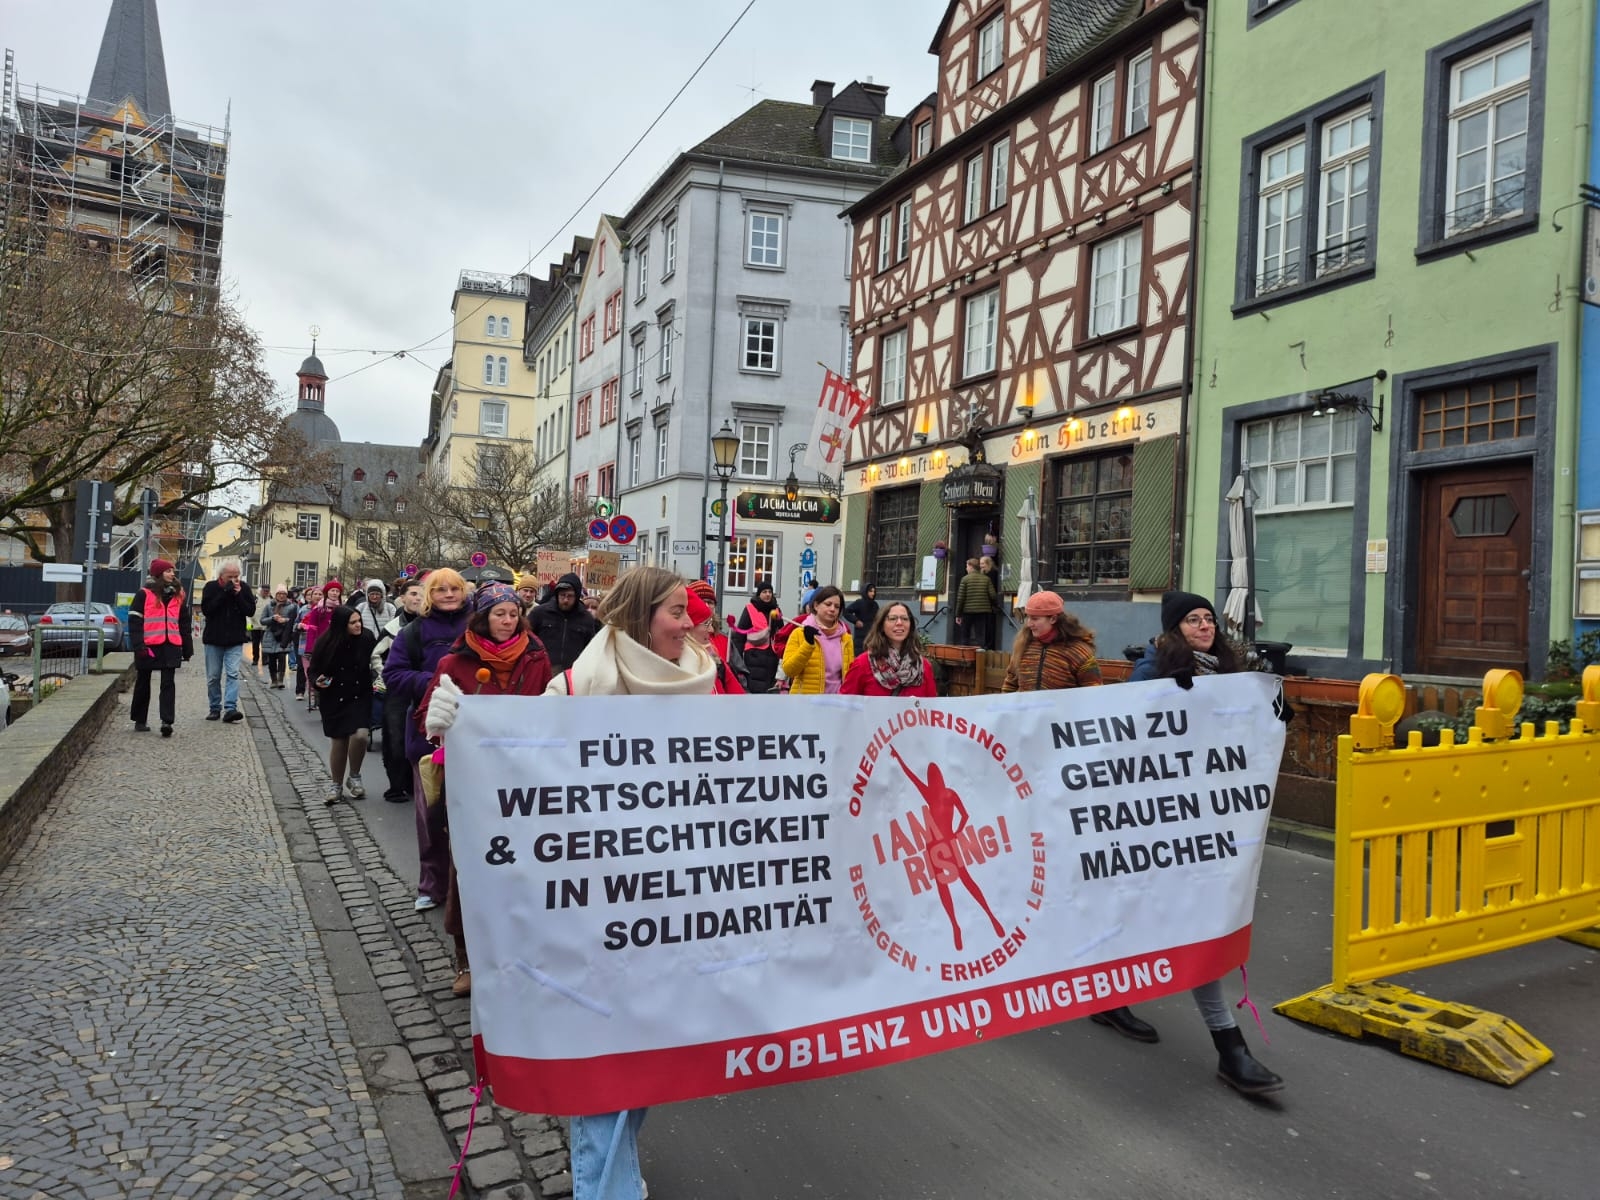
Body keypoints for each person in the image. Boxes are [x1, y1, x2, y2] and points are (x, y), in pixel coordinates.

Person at [543, 567, 715, 1200]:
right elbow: (514, 761)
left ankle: (618, 1173)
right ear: (645, 616)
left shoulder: (702, 678)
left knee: (647, 1054)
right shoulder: (580, 686)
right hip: (598, 903)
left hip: (677, 901)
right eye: (677, 611)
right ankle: (605, 1189)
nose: (690, 622)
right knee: (607, 1058)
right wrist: (458, 726)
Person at [1118, 589, 1283, 1095]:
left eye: (1209, 618)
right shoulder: (1151, 670)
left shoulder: (1233, 675)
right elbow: (1125, 734)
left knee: (1162, 915)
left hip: (1212, 820)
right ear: (1174, 630)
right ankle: (1230, 1048)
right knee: (1190, 922)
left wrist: (1274, 713)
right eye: (1193, 619)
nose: (1205, 626)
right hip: (1161, 821)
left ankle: (1109, 995)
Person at [418, 581, 553, 997]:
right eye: (499, 614)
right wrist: (438, 717)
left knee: (525, 868)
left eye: (513, 614)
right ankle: (466, 957)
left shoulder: (536, 655)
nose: (508, 621)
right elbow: (427, 712)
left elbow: (550, 709)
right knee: (470, 869)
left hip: (522, 778)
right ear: (483, 616)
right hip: (472, 780)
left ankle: (524, 952)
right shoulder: (454, 661)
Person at [384, 567, 470, 912]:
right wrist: (436, 683)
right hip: (428, 738)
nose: (449, 594)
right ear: (429, 595)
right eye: (441, 589)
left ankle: (471, 885)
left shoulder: (479, 625)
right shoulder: (413, 632)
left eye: (455, 589)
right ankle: (432, 885)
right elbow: (393, 674)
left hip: (475, 736)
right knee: (431, 817)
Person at [308, 605, 376, 806]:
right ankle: (336, 785)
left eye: (359, 621)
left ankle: (354, 776)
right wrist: (316, 681)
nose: (358, 625)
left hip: (360, 694)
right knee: (339, 741)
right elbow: (313, 670)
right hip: (334, 696)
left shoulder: (367, 638)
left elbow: (378, 658)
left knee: (361, 735)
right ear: (341, 625)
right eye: (353, 622)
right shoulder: (326, 642)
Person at [128, 558, 192, 736]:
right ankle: (140, 719)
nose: (173, 573)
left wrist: (187, 647)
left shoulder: (178, 595)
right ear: (158, 574)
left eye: (173, 571)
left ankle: (167, 721)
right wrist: (138, 644)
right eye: (168, 571)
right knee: (143, 682)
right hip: (148, 645)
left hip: (171, 645)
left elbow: (184, 623)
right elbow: (134, 621)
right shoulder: (144, 594)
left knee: (168, 683)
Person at [375, 577, 424, 803]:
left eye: (422, 594)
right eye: (413, 594)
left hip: (423, 688)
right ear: (402, 598)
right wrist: (383, 676)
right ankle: (396, 784)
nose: (418, 598)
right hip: (398, 690)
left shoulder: (431, 624)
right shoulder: (393, 627)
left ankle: (418, 783)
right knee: (395, 737)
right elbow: (376, 654)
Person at [1001, 591, 1101, 693]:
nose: (1029, 624)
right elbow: (1010, 684)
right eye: (1028, 617)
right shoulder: (1023, 644)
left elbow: (1093, 692)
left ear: (1053, 619)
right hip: (1026, 708)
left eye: (1035, 619)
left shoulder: (1079, 652)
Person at [199, 558, 255, 722]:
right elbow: (208, 610)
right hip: (214, 639)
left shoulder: (243, 588)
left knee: (232, 674)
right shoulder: (211, 587)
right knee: (213, 676)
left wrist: (237, 595)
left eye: (237, 576)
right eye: (230, 576)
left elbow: (250, 610)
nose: (234, 580)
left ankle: (230, 708)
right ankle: (214, 707)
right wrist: (224, 593)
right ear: (221, 576)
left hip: (235, 639)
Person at [841, 602, 936, 697]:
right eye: (892, 618)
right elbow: (844, 705)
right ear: (881, 625)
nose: (899, 623)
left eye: (905, 619)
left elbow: (931, 707)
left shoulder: (924, 666)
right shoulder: (862, 664)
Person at [780, 584, 854, 695]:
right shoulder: (799, 633)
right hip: (805, 704)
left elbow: (849, 676)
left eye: (837, 606)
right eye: (828, 604)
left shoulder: (845, 638)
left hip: (836, 705)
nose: (832, 609)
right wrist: (808, 645)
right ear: (816, 606)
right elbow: (789, 670)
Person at [528, 572, 601, 672]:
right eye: (562, 595)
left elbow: (590, 648)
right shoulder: (539, 613)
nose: (566, 600)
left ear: (577, 596)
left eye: (570, 596)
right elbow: (527, 639)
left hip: (573, 674)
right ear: (557, 594)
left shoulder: (586, 618)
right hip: (542, 671)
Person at [685, 581, 744, 694]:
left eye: (710, 602)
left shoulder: (724, 640)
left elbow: (739, 679)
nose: (707, 605)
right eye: (702, 601)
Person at [732, 578, 782, 695]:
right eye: (764, 592)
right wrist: (738, 661)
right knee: (755, 689)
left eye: (770, 592)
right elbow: (740, 636)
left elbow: (781, 633)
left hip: (772, 656)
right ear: (759, 594)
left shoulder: (776, 610)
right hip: (754, 656)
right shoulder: (750, 609)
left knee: (769, 689)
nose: (768, 594)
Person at [301, 581, 345, 711]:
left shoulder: (342, 609)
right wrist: (310, 648)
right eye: (332, 591)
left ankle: (335, 699)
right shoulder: (318, 609)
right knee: (323, 673)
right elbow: (312, 629)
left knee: (337, 674)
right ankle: (321, 697)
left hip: (338, 646)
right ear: (327, 593)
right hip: (322, 646)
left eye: (337, 591)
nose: (334, 593)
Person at [954, 557, 997, 649]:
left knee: (965, 635)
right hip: (983, 612)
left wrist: (958, 614)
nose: (966, 568)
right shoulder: (986, 579)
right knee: (981, 635)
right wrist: (993, 606)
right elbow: (993, 595)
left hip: (967, 612)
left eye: (967, 566)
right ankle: (981, 655)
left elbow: (960, 599)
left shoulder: (965, 579)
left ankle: (964, 655)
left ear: (971, 567)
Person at [260, 587, 297, 689]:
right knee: (272, 659)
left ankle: (280, 679)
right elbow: (262, 620)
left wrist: (285, 620)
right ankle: (274, 680)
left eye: (283, 594)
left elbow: (295, 620)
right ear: (276, 595)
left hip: (284, 636)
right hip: (271, 635)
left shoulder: (292, 607)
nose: (281, 596)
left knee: (281, 657)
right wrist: (272, 618)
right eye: (279, 593)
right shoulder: (269, 606)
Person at [293, 586, 322, 700]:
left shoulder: (325, 610)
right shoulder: (303, 609)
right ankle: (309, 693)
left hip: (320, 644)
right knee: (306, 670)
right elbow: (295, 625)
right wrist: (299, 626)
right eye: (315, 594)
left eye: (320, 594)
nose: (317, 596)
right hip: (305, 644)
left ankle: (317, 694)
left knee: (319, 670)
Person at [842, 583, 879, 648]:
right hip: (860, 637)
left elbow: (879, 616)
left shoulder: (875, 604)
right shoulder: (859, 603)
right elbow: (846, 612)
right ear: (865, 591)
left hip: (872, 636)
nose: (873, 593)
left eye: (874, 591)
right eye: (870, 591)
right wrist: (856, 621)